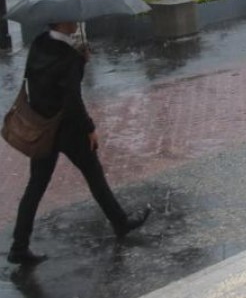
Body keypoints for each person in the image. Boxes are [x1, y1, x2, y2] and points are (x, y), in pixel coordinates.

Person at [7, 21, 150, 265]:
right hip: (70, 130)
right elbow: (73, 99)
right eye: (72, 21)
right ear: (62, 23)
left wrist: (78, 61)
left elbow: (40, 81)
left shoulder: (40, 43)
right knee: (94, 175)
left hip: (43, 127)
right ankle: (120, 222)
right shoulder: (69, 56)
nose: (76, 24)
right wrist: (89, 127)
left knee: (35, 186)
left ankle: (19, 246)